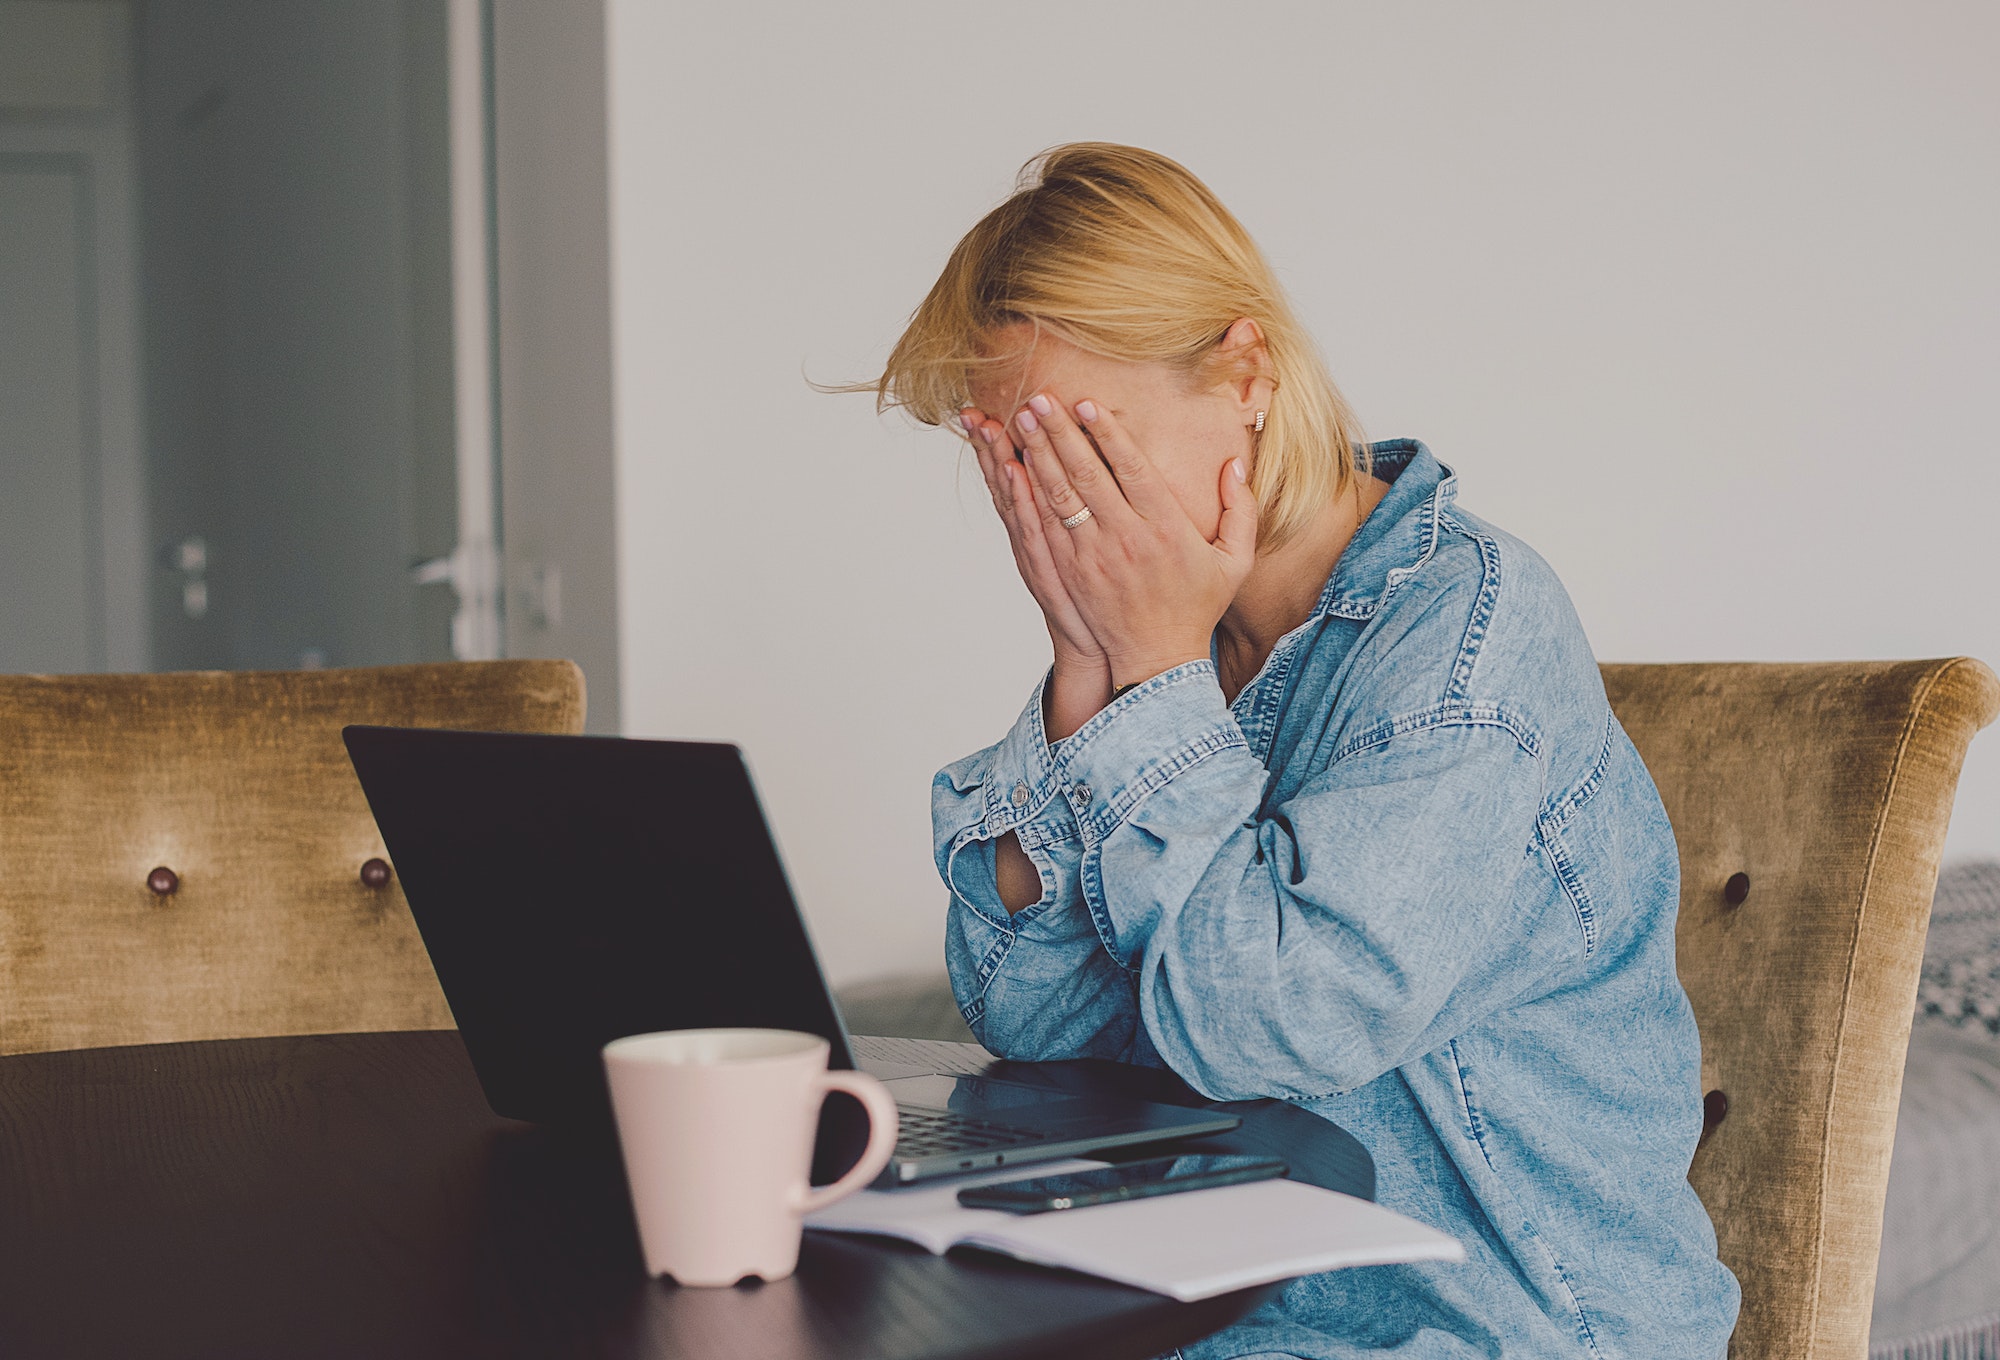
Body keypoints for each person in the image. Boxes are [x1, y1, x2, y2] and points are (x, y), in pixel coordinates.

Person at [859, 142, 1739, 1358]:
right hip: (1243, 1297)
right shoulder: (1172, 632)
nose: (1058, 511)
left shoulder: (1466, 636)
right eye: (1012, 461)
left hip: (1499, 1324)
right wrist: (1082, 686)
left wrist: (1152, 687)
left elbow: (1265, 1028)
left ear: (1245, 372)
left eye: (1085, 448)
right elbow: (1036, 1016)